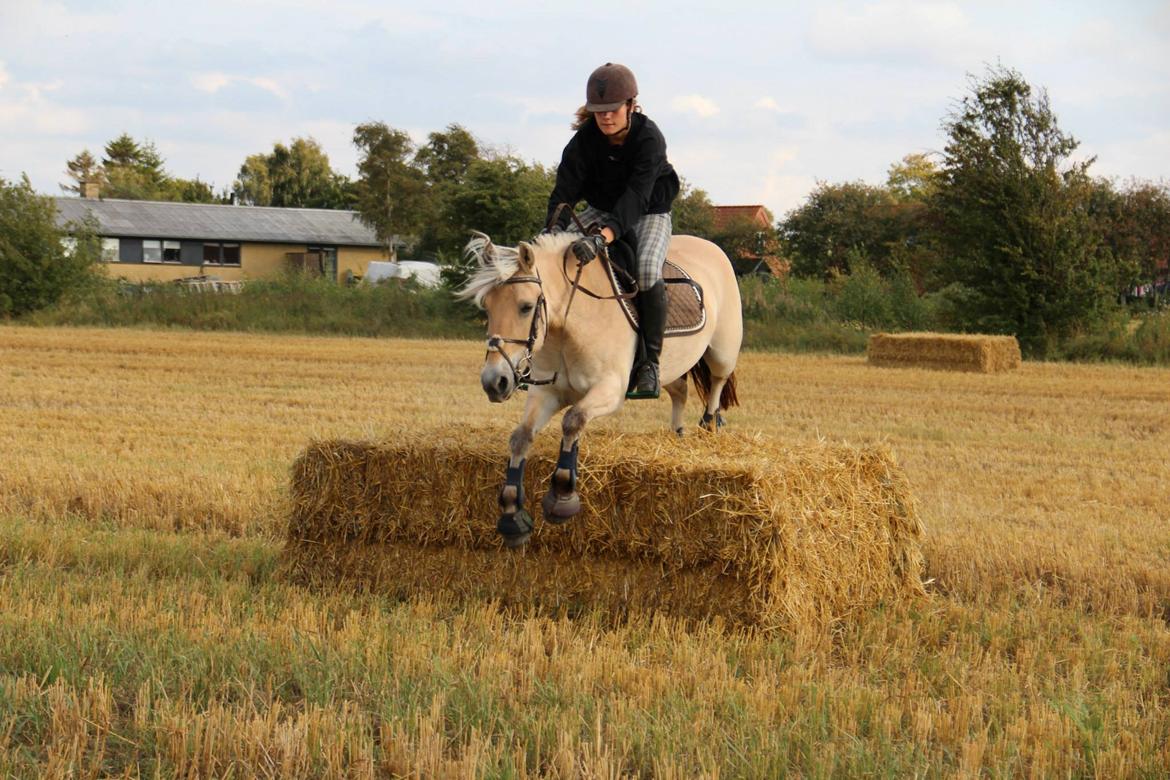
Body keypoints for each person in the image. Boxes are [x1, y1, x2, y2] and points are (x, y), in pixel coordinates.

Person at [546, 62, 680, 399]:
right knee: (558, 260)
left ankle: (650, 363)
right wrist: (549, 235)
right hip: (602, 208)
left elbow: (636, 197)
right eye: (598, 111)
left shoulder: (649, 138)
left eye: (613, 109)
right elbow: (563, 196)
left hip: (649, 210)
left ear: (632, 105)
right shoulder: (583, 143)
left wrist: (603, 236)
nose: (605, 117)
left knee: (648, 270)